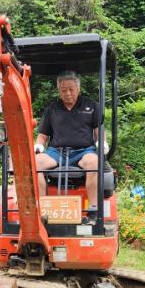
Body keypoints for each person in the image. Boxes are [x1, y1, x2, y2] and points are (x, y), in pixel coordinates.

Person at [34, 70, 104, 211]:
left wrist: (102, 143)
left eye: (71, 89)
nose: (67, 93)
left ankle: (93, 208)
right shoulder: (52, 109)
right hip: (56, 153)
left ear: (78, 88)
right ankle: (42, 209)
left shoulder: (91, 106)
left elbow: (99, 132)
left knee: (94, 162)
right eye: (63, 90)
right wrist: (39, 146)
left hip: (84, 152)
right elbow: (42, 136)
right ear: (59, 91)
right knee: (35, 162)